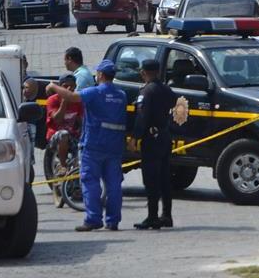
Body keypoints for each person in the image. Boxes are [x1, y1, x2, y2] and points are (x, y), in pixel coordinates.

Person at [46, 59, 127, 231]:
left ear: (101, 75)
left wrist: (53, 87)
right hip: (114, 146)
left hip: (94, 145)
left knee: (90, 181)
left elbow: (70, 96)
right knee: (113, 185)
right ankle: (113, 221)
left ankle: (93, 219)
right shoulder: (122, 95)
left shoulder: (94, 92)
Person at [129, 59, 177, 230]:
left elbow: (142, 117)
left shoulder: (146, 91)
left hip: (151, 138)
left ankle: (152, 216)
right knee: (164, 178)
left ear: (144, 72)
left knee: (151, 179)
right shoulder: (167, 89)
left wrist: (135, 137)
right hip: (165, 136)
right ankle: (167, 215)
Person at [46, 74, 83, 175]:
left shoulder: (77, 101)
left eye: (71, 86)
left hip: (72, 136)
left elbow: (81, 121)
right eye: (65, 86)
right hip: (56, 136)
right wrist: (64, 102)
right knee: (64, 134)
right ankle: (63, 166)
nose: (68, 89)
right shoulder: (52, 100)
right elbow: (57, 119)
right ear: (59, 87)